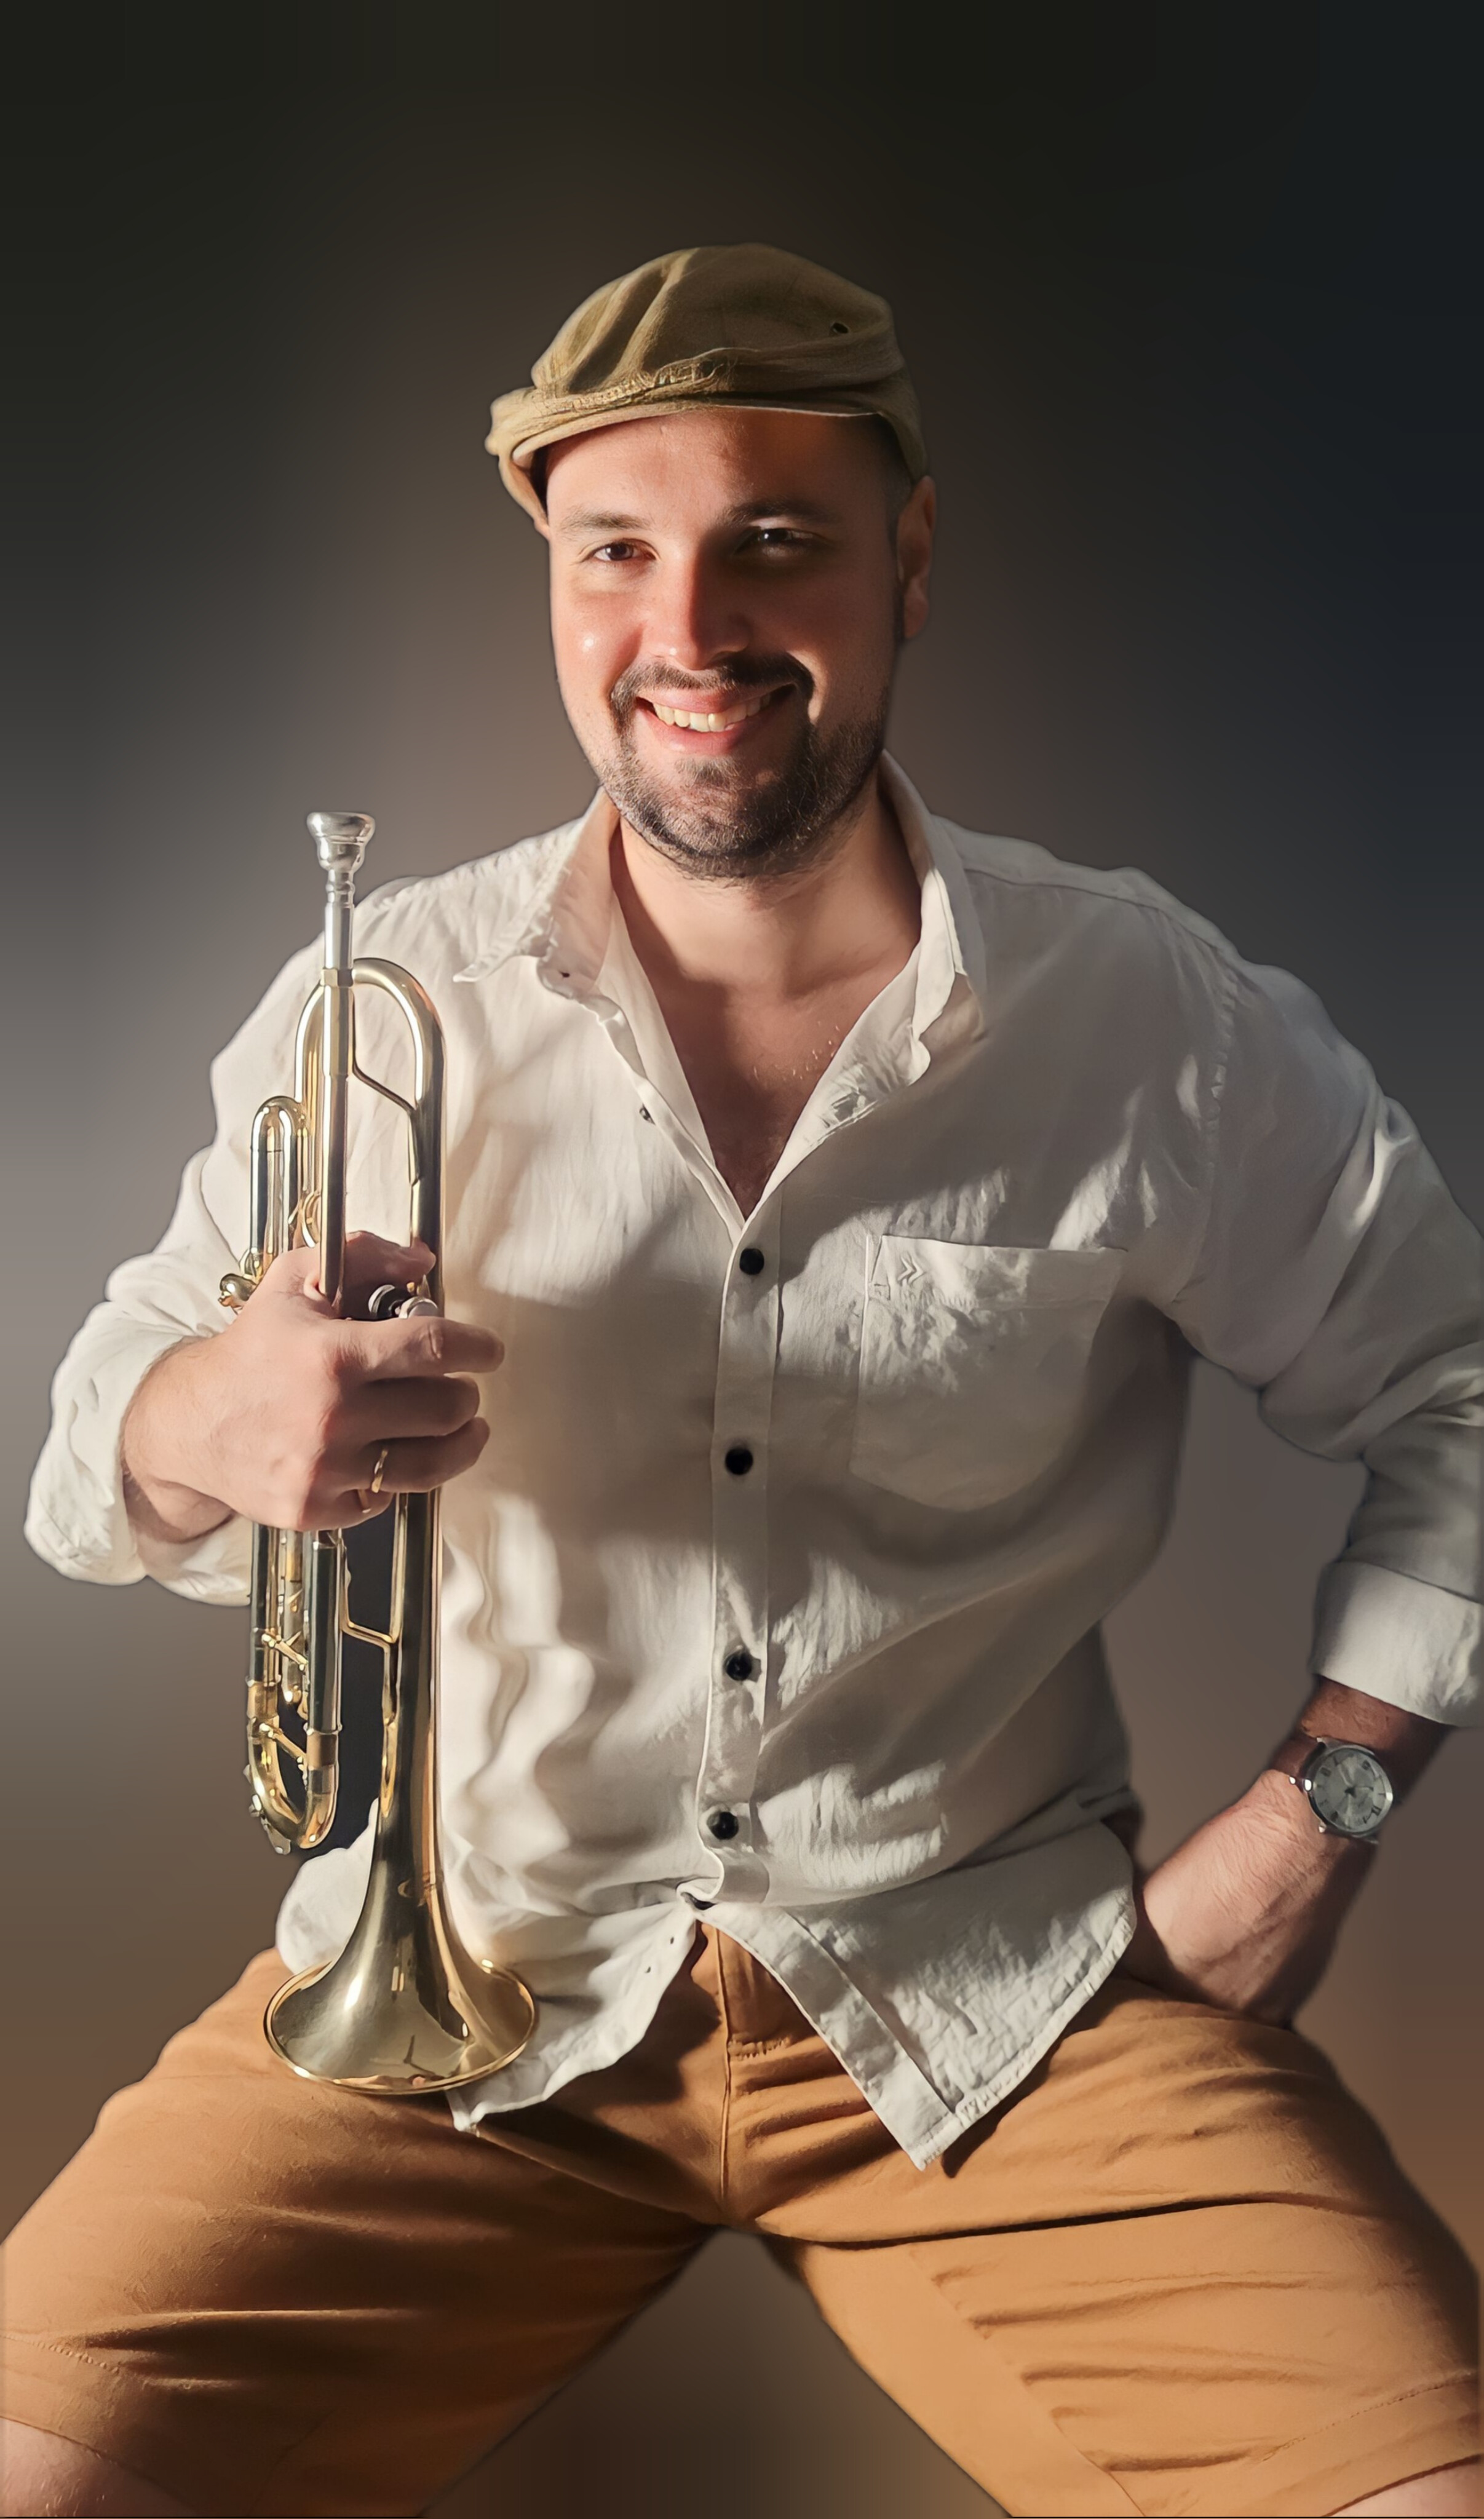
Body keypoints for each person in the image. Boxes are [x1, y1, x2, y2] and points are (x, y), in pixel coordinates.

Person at [4, 244, 1478, 2519]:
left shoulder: (1144, 1017)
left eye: (771, 541)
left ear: (911, 561)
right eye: (616, 551)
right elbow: (92, 1437)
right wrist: (209, 1417)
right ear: (555, 583)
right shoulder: (388, 988)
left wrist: (1322, 1823)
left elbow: (1458, 1388)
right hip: (461, 2001)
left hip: (994, 1995)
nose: (686, 628)